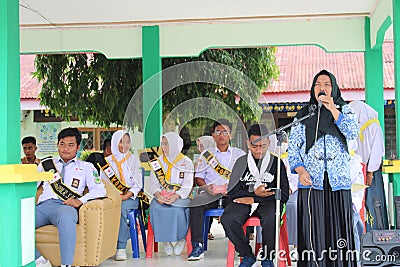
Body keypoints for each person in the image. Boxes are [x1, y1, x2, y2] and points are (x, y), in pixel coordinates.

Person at [288, 70, 359, 266]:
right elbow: (293, 149)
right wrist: (301, 171)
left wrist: (333, 110)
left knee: (339, 234)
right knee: (313, 232)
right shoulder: (304, 114)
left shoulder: (345, 111)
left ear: (334, 88)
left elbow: (353, 132)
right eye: (318, 84)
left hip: (338, 182)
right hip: (312, 183)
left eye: (327, 84)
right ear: (313, 89)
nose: (322, 88)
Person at [35, 127, 107, 267]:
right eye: (62, 144)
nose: (65, 149)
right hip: (43, 206)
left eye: (70, 145)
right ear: (57, 145)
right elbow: (31, 187)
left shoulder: (86, 167)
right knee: (15, 221)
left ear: (78, 147)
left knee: (67, 217)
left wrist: (80, 200)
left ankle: (66, 264)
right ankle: (38, 260)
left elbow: (100, 190)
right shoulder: (46, 164)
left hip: (65, 206)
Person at [221, 124, 289, 267]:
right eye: (254, 146)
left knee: (272, 217)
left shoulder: (276, 163)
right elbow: (232, 192)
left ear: (269, 143)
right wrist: (251, 194)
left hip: (268, 202)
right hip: (243, 201)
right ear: (248, 143)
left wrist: (255, 197)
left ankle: (268, 257)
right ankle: (246, 254)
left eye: (263, 146)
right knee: (228, 219)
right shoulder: (241, 163)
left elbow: (283, 193)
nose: (258, 150)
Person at [188, 119, 245, 261]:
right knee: (196, 203)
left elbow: (245, 177)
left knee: (241, 206)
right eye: (218, 132)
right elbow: (199, 177)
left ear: (231, 135)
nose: (221, 135)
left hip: (231, 194)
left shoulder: (239, 154)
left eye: (225, 132)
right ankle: (197, 245)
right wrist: (206, 188)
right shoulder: (206, 154)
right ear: (213, 135)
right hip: (210, 193)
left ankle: (241, 246)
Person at [99, 130, 142, 261]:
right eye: (121, 141)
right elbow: (103, 184)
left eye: (127, 142)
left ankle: (121, 247)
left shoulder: (133, 160)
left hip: (130, 198)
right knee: (103, 209)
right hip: (112, 197)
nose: (125, 145)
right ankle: (107, 245)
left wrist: (125, 196)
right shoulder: (106, 162)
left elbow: (137, 184)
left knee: (121, 209)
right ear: (114, 142)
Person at [148, 132, 194, 256]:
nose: (163, 147)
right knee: (156, 208)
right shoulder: (157, 162)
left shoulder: (186, 162)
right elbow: (153, 182)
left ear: (175, 145)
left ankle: (181, 239)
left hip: (180, 196)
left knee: (177, 209)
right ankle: (166, 240)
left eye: (166, 144)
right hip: (161, 196)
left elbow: (188, 184)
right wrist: (158, 195)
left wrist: (176, 196)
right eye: (162, 144)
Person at [349, 100, 388, 231]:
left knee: (372, 203)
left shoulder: (372, 126)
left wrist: (370, 173)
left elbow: (376, 152)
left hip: (367, 170)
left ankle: (375, 233)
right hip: (363, 170)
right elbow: (378, 151)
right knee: (365, 203)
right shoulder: (368, 126)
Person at [195, 136, 216, 240]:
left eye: (202, 145)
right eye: (198, 146)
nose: (199, 148)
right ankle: (197, 241)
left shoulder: (216, 158)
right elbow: (198, 178)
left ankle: (207, 230)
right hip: (206, 191)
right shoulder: (200, 158)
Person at [348, 139, 365, 266]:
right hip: (343, 202)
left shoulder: (354, 161)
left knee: (354, 233)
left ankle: (356, 262)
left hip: (351, 203)